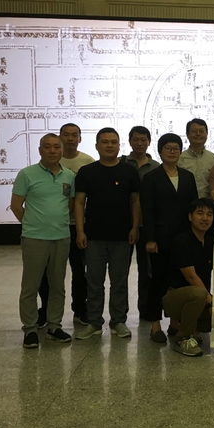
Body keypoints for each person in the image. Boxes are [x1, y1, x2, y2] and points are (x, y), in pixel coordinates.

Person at [74, 128, 141, 340]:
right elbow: (79, 202)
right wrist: (80, 231)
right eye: (105, 142)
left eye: (114, 142)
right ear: (97, 146)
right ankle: (94, 322)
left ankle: (118, 321)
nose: (109, 145)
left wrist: (135, 227)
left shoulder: (129, 171)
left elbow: (136, 201)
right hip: (93, 236)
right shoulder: (87, 171)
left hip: (122, 236)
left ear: (119, 145)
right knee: (94, 282)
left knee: (119, 281)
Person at [10, 133, 75, 349]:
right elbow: (16, 205)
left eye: (56, 147)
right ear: (40, 150)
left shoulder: (69, 176)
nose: (52, 150)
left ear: (62, 150)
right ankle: (30, 329)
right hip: (34, 238)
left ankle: (54, 326)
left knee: (58, 286)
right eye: (47, 147)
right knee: (31, 286)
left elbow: (70, 205)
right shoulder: (27, 174)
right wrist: (32, 224)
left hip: (61, 237)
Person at [141, 133, 198, 343]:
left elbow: (193, 207)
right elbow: (147, 210)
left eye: (176, 148)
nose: (172, 152)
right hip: (160, 239)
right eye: (168, 148)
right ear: (160, 151)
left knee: (180, 282)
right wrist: (150, 238)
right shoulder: (151, 177)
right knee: (158, 282)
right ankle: (155, 325)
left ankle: (175, 323)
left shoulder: (188, 176)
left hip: (183, 238)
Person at [36, 123, 94, 328]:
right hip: (52, 227)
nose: (70, 138)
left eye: (74, 135)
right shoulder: (50, 161)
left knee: (80, 270)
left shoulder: (87, 162)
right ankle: (45, 310)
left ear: (80, 138)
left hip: (78, 226)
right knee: (48, 272)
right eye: (66, 135)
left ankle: (80, 309)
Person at [162, 198, 214, 357]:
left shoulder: (212, 242)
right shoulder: (182, 241)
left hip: (199, 297)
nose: (205, 218)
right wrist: (211, 302)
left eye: (209, 214)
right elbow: (191, 277)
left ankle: (195, 329)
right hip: (174, 298)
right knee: (198, 294)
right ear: (190, 217)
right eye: (200, 213)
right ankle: (183, 338)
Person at [122, 125, 160, 319]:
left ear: (149, 142)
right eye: (135, 139)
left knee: (147, 271)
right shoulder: (121, 163)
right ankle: (120, 313)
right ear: (129, 141)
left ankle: (145, 310)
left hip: (147, 225)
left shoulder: (156, 167)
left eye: (143, 139)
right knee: (121, 271)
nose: (139, 143)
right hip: (122, 224)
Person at [178, 118, 214, 198]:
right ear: (187, 134)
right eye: (194, 131)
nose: (198, 134)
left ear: (207, 134)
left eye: (201, 131)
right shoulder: (179, 159)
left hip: (208, 204)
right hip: (186, 203)